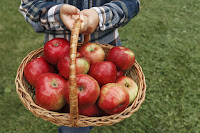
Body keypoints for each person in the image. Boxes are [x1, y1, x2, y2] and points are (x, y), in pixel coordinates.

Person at [19, 0, 140, 132]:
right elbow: (29, 6)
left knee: (102, 111)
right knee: (73, 126)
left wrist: (100, 16)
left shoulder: (110, 66)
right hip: (59, 64)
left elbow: (131, 3)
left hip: (109, 57)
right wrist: (57, 14)